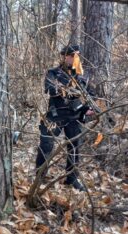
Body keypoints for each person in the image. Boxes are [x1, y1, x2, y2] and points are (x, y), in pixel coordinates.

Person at [35, 45, 95, 191]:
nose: (75, 59)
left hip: (74, 117)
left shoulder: (81, 77)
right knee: (46, 145)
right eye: (72, 55)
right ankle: (39, 178)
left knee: (74, 148)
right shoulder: (53, 73)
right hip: (55, 116)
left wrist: (88, 109)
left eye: (77, 56)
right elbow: (51, 89)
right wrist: (69, 90)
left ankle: (72, 178)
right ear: (64, 56)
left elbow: (91, 96)